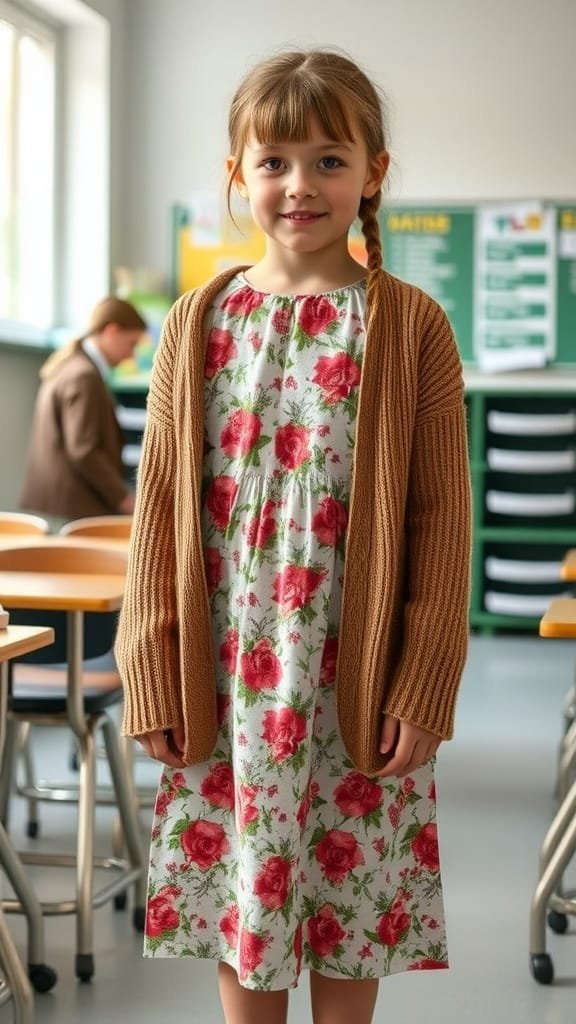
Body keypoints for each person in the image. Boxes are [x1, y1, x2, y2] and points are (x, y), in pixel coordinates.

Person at [115, 48, 472, 1024]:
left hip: (353, 680)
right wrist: (151, 662)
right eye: (273, 161)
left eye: (328, 159)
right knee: (245, 897)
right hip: (226, 684)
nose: (299, 185)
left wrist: (425, 681)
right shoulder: (196, 326)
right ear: (238, 174)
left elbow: (442, 524)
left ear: (374, 173)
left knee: (349, 902)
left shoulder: (408, 327)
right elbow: (156, 515)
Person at [19, 296, 146, 521]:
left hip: (58, 502)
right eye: (131, 344)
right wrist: (123, 498)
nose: (131, 355)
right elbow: (83, 449)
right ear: (111, 331)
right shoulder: (84, 376)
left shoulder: (72, 367)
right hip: (72, 505)